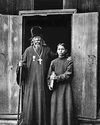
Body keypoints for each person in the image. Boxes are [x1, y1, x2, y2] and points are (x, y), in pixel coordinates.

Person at [16, 26, 56, 125]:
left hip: (42, 83)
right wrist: (20, 66)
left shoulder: (47, 49)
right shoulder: (28, 50)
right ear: (32, 40)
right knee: (30, 103)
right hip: (31, 83)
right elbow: (23, 65)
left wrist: (66, 58)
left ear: (42, 39)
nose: (37, 40)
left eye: (39, 38)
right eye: (35, 38)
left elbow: (55, 58)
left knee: (43, 103)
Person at [48, 43, 74, 125]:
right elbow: (49, 76)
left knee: (65, 107)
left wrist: (57, 78)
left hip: (65, 88)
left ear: (66, 50)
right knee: (56, 108)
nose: (60, 51)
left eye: (62, 49)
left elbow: (68, 74)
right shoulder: (53, 62)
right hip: (56, 88)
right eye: (58, 49)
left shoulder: (69, 61)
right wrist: (50, 83)